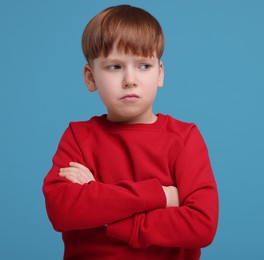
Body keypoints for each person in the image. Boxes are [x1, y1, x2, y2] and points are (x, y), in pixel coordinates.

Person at [42, 4, 218, 260]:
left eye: (144, 66)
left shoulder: (183, 138)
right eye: (115, 67)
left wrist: (107, 216)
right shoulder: (78, 137)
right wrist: (160, 195)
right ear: (90, 77)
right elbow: (62, 210)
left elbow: (201, 225)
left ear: (160, 73)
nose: (130, 79)